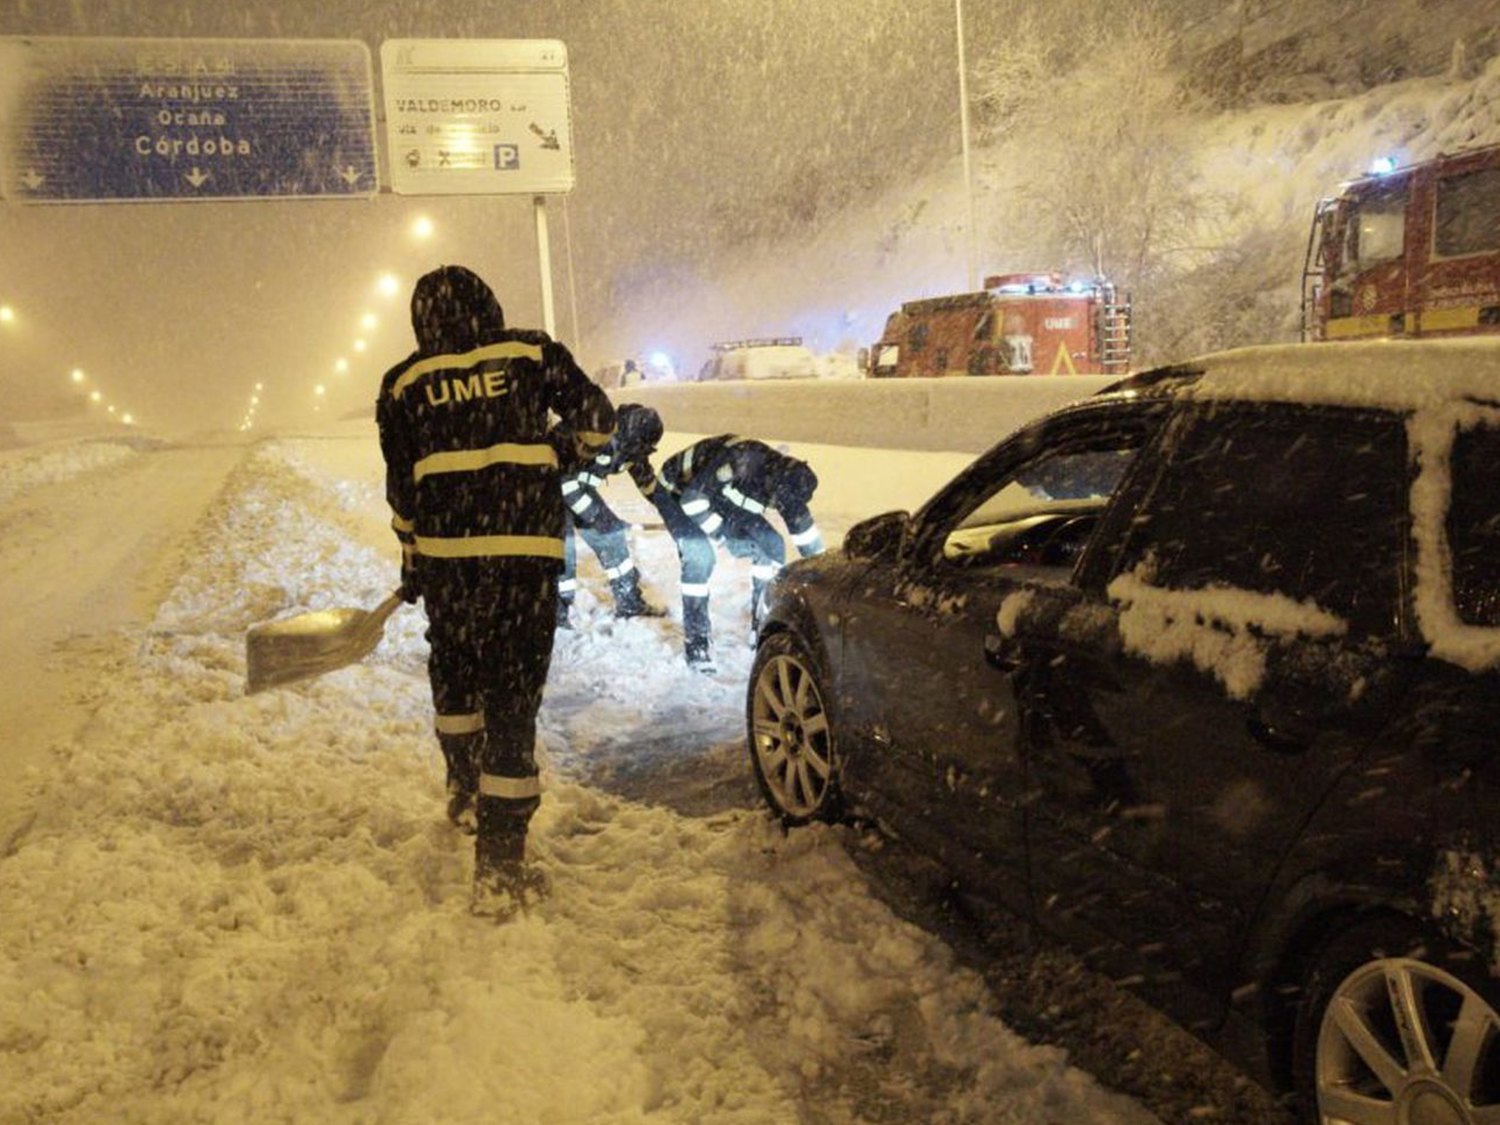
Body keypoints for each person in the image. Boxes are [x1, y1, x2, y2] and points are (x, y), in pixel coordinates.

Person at [376, 264, 614, 920]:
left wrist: (413, 555)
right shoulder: (531, 349)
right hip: (523, 554)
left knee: (455, 679)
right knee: (512, 701)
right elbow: (598, 419)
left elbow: (403, 489)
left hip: (451, 561)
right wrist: (556, 453)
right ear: (490, 305)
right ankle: (501, 868)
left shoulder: (403, 382)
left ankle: (463, 788)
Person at [557, 403, 720, 670]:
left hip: (578, 485)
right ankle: (556, 611)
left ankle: (628, 601)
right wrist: (598, 517)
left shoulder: (632, 446)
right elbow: (563, 480)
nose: (638, 454)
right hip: (548, 485)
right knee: (561, 550)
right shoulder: (593, 434)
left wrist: (676, 519)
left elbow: (649, 486)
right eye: (637, 448)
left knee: (611, 536)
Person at [657, 435, 825, 641]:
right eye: (776, 502)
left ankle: (761, 627)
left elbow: (806, 536)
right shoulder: (740, 461)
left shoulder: (788, 485)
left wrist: (826, 570)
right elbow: (692, 501)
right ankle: (697, 642)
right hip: (677, 490)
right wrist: (724, 537)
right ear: (772, 483)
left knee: (772, 545)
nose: (776, 506)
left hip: (715, 494)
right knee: (700, 558)